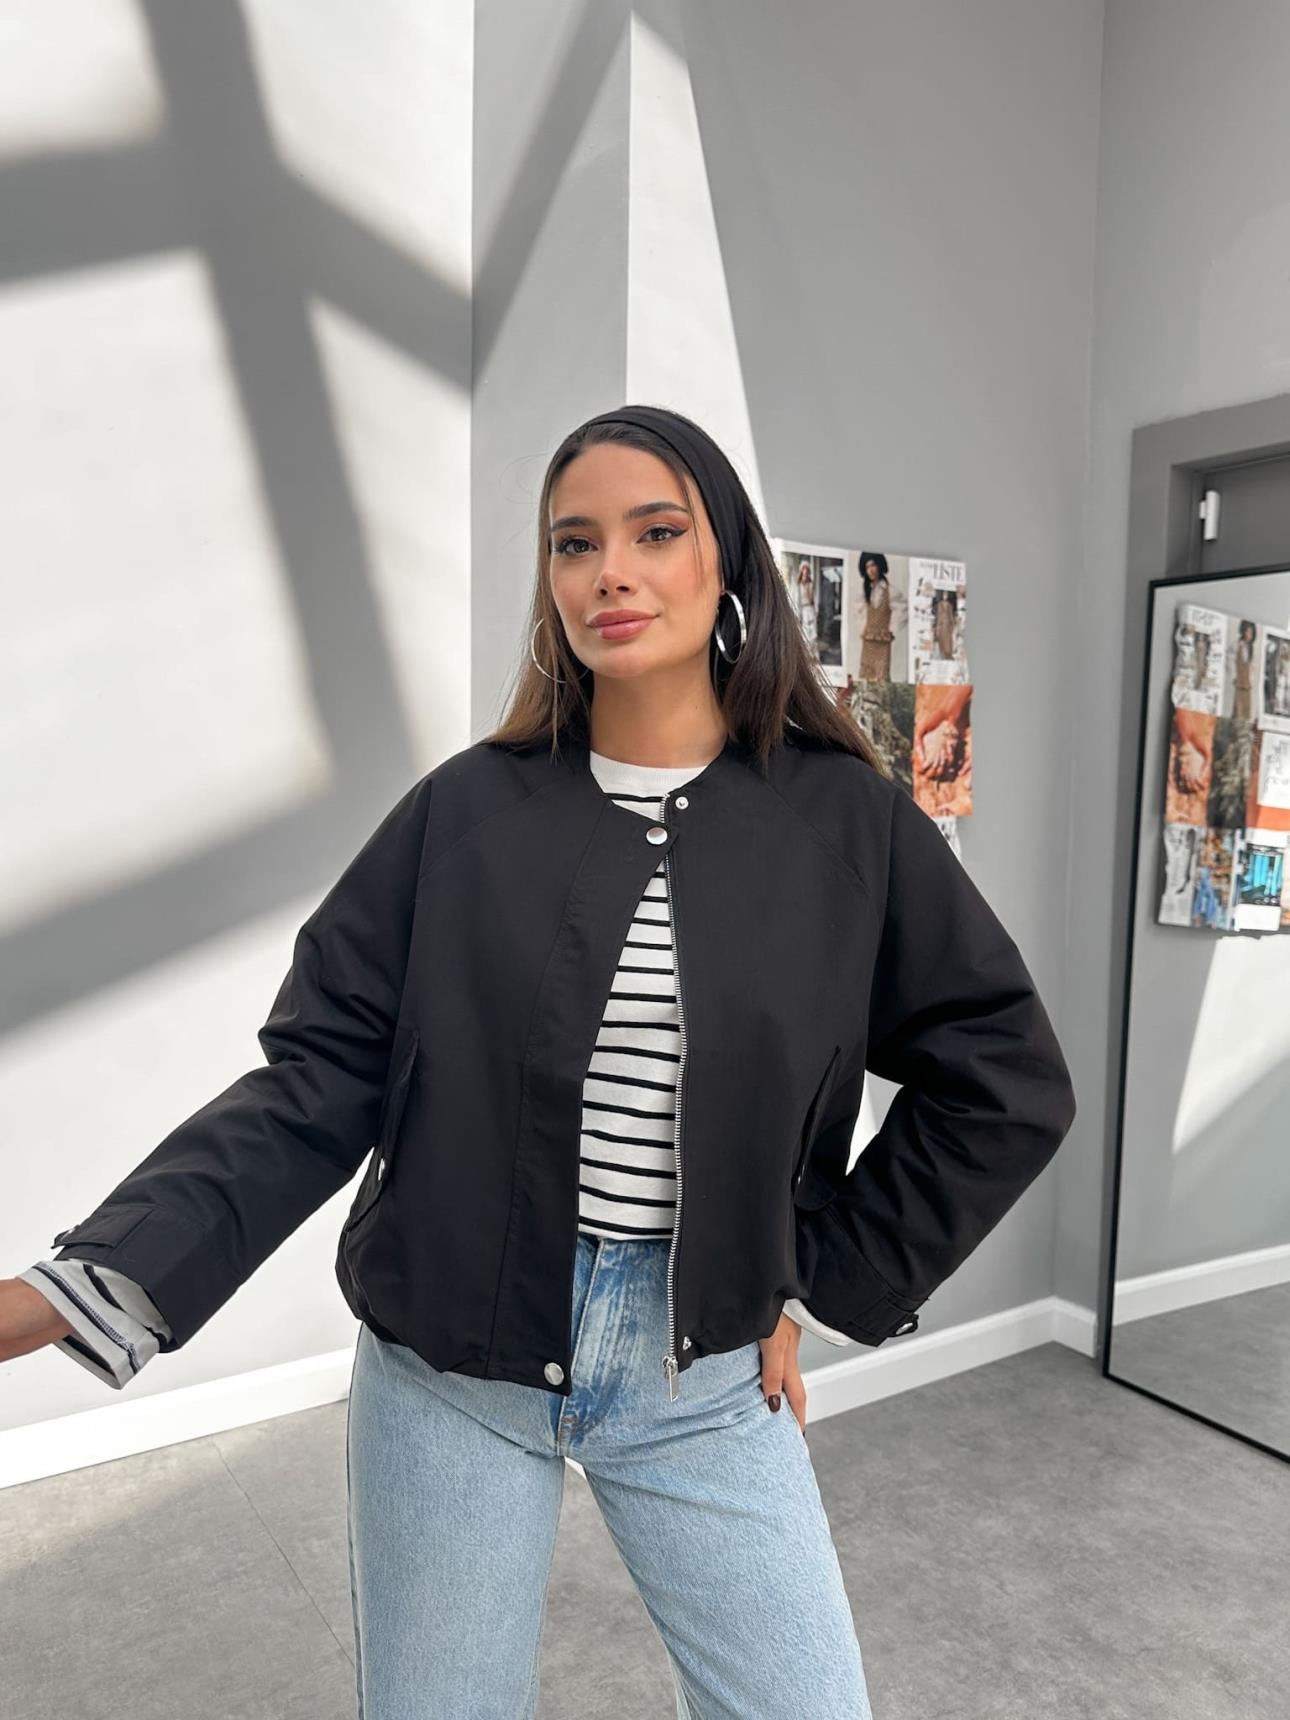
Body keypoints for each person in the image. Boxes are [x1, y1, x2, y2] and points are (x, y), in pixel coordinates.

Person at [3, 403, 1077, 1718]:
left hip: (699, 1380)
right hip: (448, 1368)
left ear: (728, 563)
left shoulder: (845, 825)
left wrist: (806, 1275)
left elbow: (1003, 1076)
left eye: (654, 532)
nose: (609, 571)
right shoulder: (464, 813)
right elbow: (314, 1083)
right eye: (575, 543)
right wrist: (70, 1287)